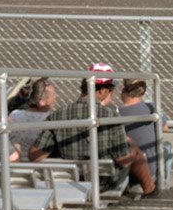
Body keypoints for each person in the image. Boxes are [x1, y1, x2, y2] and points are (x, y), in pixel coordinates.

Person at [29, 64, 156, 198]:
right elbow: (123, 159)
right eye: (110, 89)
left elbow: (35, 155)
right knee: (133, 149)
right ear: (101, 91)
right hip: (104, 182)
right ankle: (150, 191)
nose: (111, 92)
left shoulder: (58, 115)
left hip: (72, 180)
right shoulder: (110, 116)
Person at [121, 78, 172, 184]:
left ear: (123, 89)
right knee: (167, 146)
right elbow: (165, 128)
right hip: (149, 172)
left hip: (126, 172)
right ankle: (163, 182)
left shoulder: (116, 112)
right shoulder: (151, 107)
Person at [7, 77, 57, 158]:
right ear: (42, 102)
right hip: (38, 164)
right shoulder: (51, 119)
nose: (55, 97)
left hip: (14, 161)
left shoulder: (14, 114)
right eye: (53, 95)